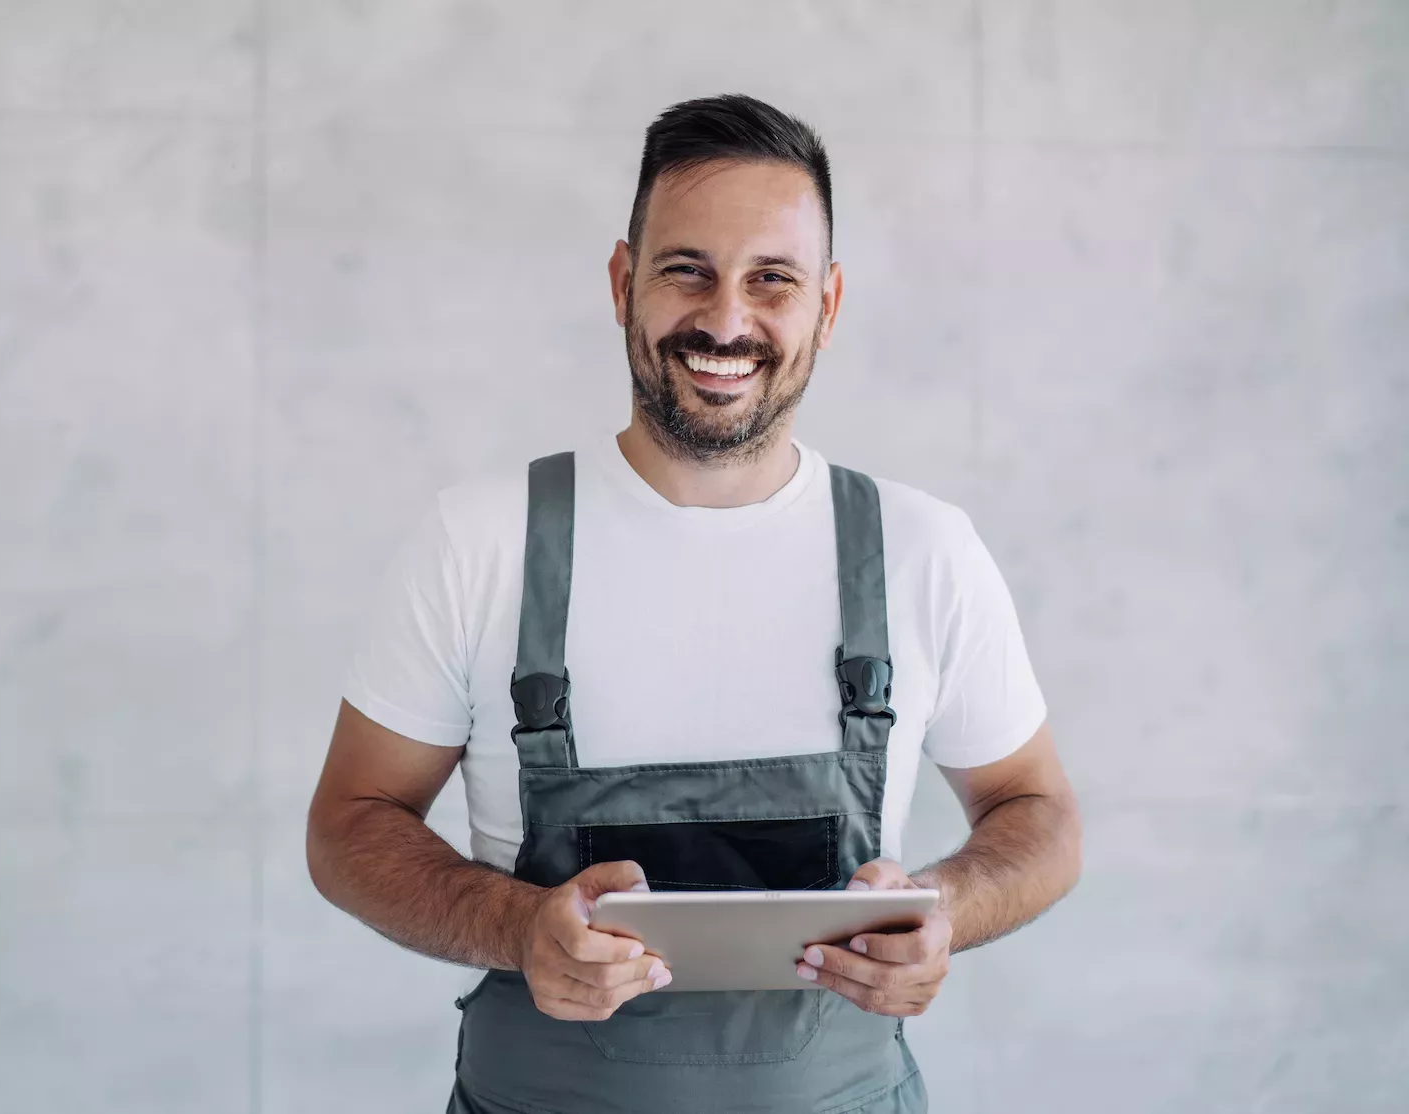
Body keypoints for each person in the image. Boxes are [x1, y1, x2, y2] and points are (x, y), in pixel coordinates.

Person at [306, 92, 1082, 1114]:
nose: (726, 320)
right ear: (625, 281)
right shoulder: (479, 541)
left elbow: (1042, 815)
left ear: (829, 303)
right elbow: (349, 824)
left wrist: (946, 907)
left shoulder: (923, 550)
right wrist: (515, 926)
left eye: (773, 279)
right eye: (688, 271)